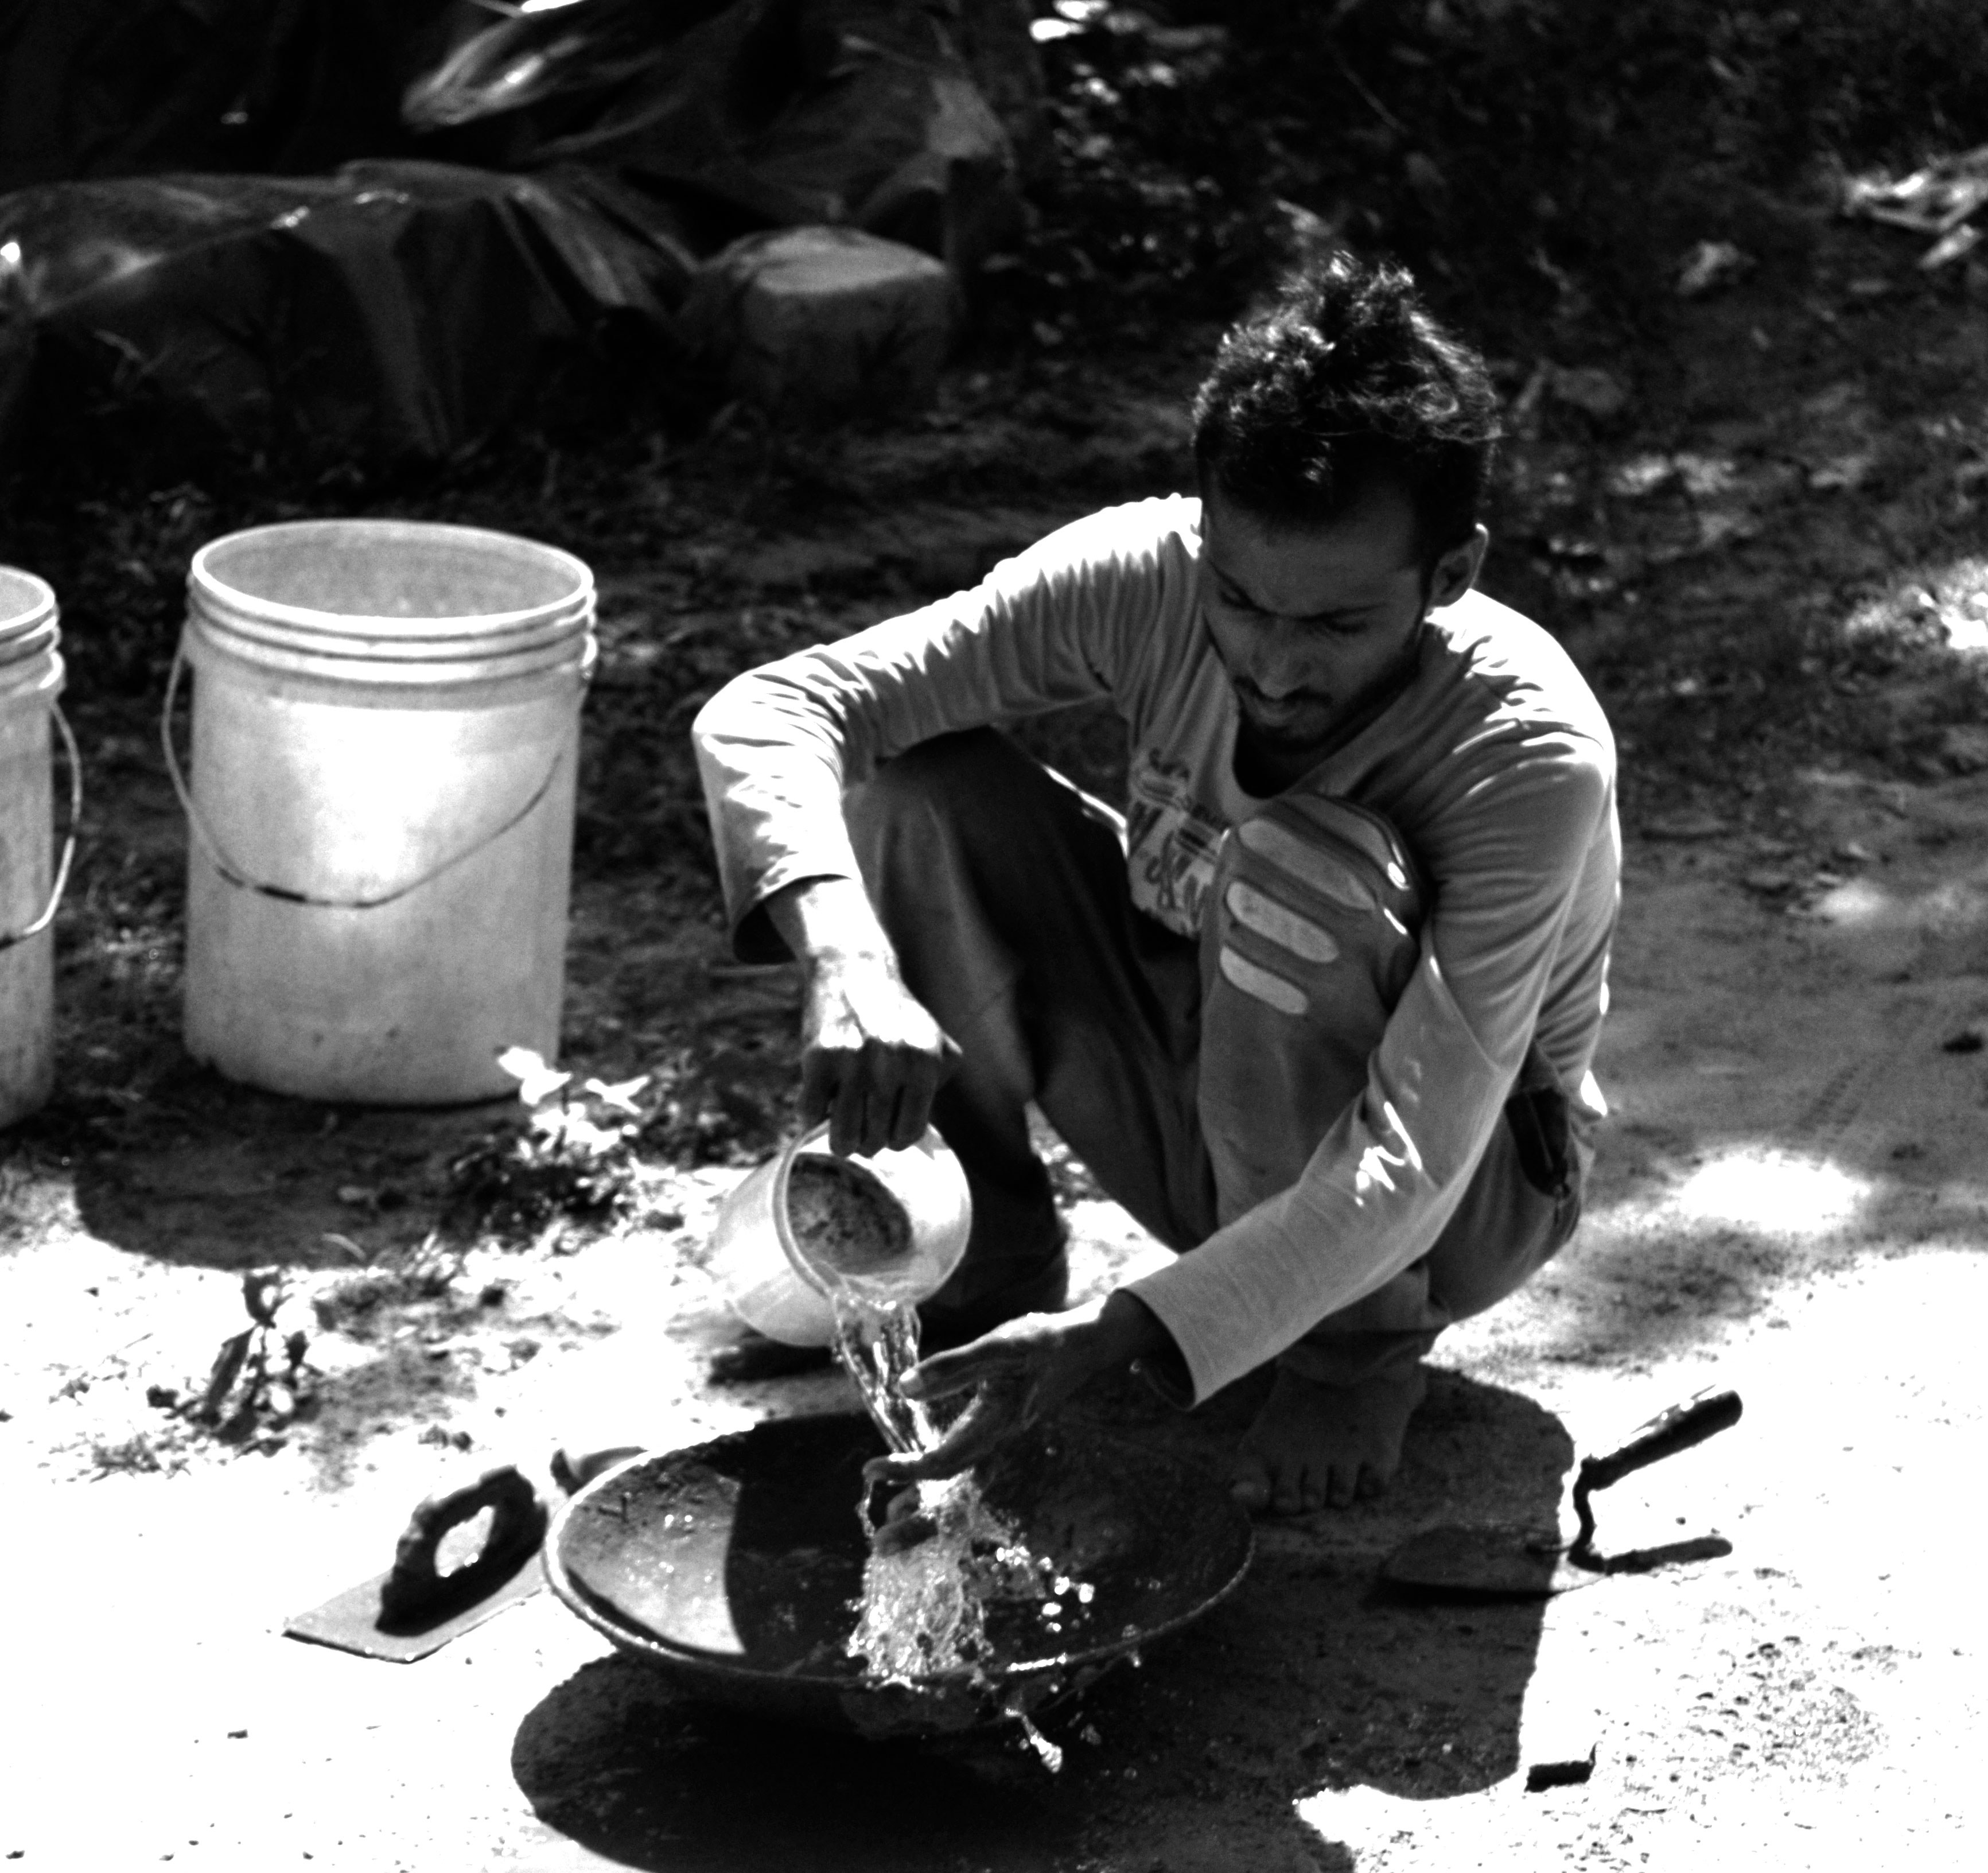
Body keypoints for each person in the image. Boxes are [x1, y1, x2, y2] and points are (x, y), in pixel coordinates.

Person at [688, 248, 1620, 1514]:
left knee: (1299, 864)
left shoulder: (1524, 751)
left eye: (1337, 626)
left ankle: (1350, 1354)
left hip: (1459, 1196)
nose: (1276, 667)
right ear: (1201, 533)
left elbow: (1416, 1150)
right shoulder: (1145, 578)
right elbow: (773, 710)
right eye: (1240, 601)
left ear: (1448, 578)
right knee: (918, 794)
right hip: (1200, 1096)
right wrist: (847, 961)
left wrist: (1121, 1337)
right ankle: (985, 1262)